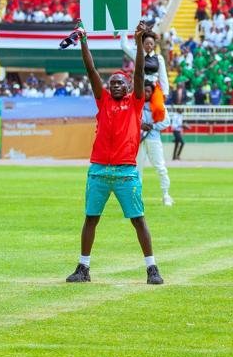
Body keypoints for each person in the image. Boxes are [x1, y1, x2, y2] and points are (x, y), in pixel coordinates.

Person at [66, 20, 163, 285]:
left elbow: (139, 72)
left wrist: (138, 41)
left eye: (120, 82)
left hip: (125, 172)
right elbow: (91, 70)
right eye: (112, 83)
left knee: (138, 220)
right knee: (90, 219)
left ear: (129, 87)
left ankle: (152, 269)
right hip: (98, 170)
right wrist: (83, 41)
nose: (116, 85)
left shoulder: (135, 103)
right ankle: (83, 268)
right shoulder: (104, 100)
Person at [139, 80, 173, 206]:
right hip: (138, 141)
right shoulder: (136, 104)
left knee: (160, 167)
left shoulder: (159, 105)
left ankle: (166, 195)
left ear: (152, 92)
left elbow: (166, 122)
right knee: (137, 169)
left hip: (154, 139)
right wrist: (140, 125)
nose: (146, 93)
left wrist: (152, 126)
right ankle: (136, 196)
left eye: (148, 91)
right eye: (144, 90)